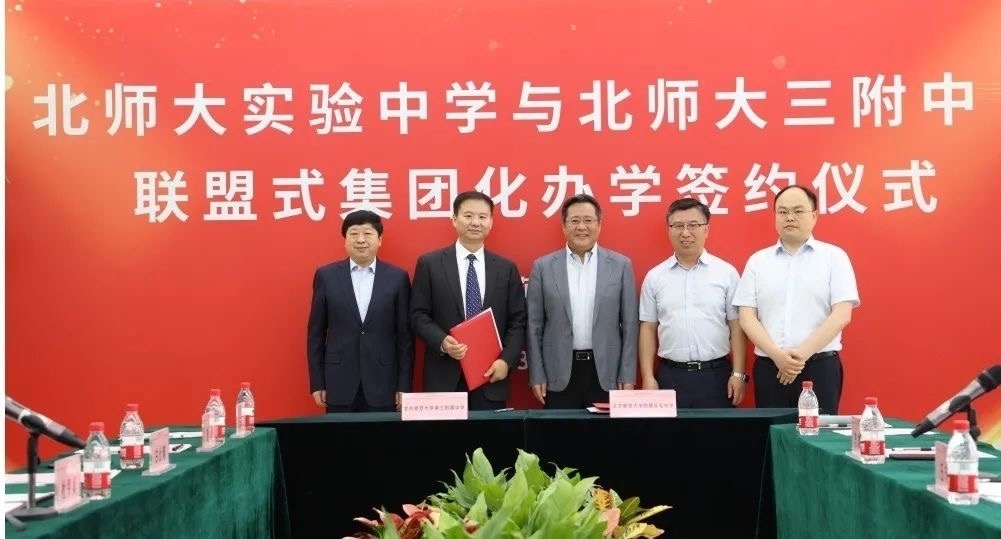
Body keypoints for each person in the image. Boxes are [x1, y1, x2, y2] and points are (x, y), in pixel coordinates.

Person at [733, 185, 860, 414]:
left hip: (819, 367)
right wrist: (778, 357)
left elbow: (842, 314)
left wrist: (797, 358)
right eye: (782, 212)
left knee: (818, 433)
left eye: (798, 211)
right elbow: (746, 317)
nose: (789, 217)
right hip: (770, 368)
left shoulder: (834, 257)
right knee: (773, 433)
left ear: (814, 216)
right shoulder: (758, 261)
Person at [409, 191, 527, 411]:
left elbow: (518, 321)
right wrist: (442, 341)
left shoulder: (506, 268)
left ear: (491, 222)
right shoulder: (430, 264)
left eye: (482, 217)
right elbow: (418, 315)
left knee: (488, 433)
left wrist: (506, 361)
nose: (475, 222)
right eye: (468, 216)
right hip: (444, 374)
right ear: (454, 219)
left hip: (491, 375)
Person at [526, 194, 638, 409]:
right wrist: (537, 374)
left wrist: (627, 374)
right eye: (574, 221)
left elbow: (630, 325)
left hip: (606, 372)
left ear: (599, 224)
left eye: (588, 220)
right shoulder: (543, 267)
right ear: (563, 225)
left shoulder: (620, 265)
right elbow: (534, 326)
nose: (581, 227)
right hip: (557, 372)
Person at [638, 198, 747, 408]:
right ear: (669, 230)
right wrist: (648, 377)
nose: (685, 233)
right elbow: (648, 328)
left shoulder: (726, 273)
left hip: (716, 376)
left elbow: (737, 326)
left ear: (706, 229)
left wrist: (738, 374)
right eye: (678, 226)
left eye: (693, 225)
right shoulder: (655, 277)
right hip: (670, 376)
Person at [306, 210, 414, 413]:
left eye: (368, 233)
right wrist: (317, 381)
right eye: (354, 234)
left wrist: (404, 385)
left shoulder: (397, 278)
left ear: (380, 240)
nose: (361, 240)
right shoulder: (326, 276)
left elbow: (405, 337)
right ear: (345, 240)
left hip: (384, 381)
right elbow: (316, 334)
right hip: (338, 381)